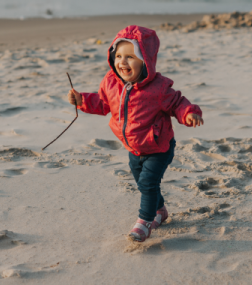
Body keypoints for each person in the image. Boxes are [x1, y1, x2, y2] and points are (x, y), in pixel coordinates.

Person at [67, 25, 203, 242]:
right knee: (142, 182)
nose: (122, 62)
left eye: (130, 57)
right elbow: (102, 104)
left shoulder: (158, 88)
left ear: (145, 60)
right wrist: (82, 100)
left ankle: (145, 222)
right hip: (133, 148)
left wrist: (189, 113)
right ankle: (160, 211)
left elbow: (177, 102)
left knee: (148, 183)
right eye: (118, 55)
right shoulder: (111, 83)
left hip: (159, 147)